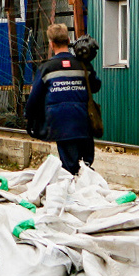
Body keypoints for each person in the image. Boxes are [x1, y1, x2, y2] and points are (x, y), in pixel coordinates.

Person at [25, 23, 102, 176]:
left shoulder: (46, 68)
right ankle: (87, 192)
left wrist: (28, 117)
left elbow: (34, 99)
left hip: (61, 124)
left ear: (51, 44)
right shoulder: (82, 65)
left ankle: (73, 195)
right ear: (68, 40)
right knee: (86, 166)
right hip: (83, 121)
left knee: (69, 168)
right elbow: (95, 86)